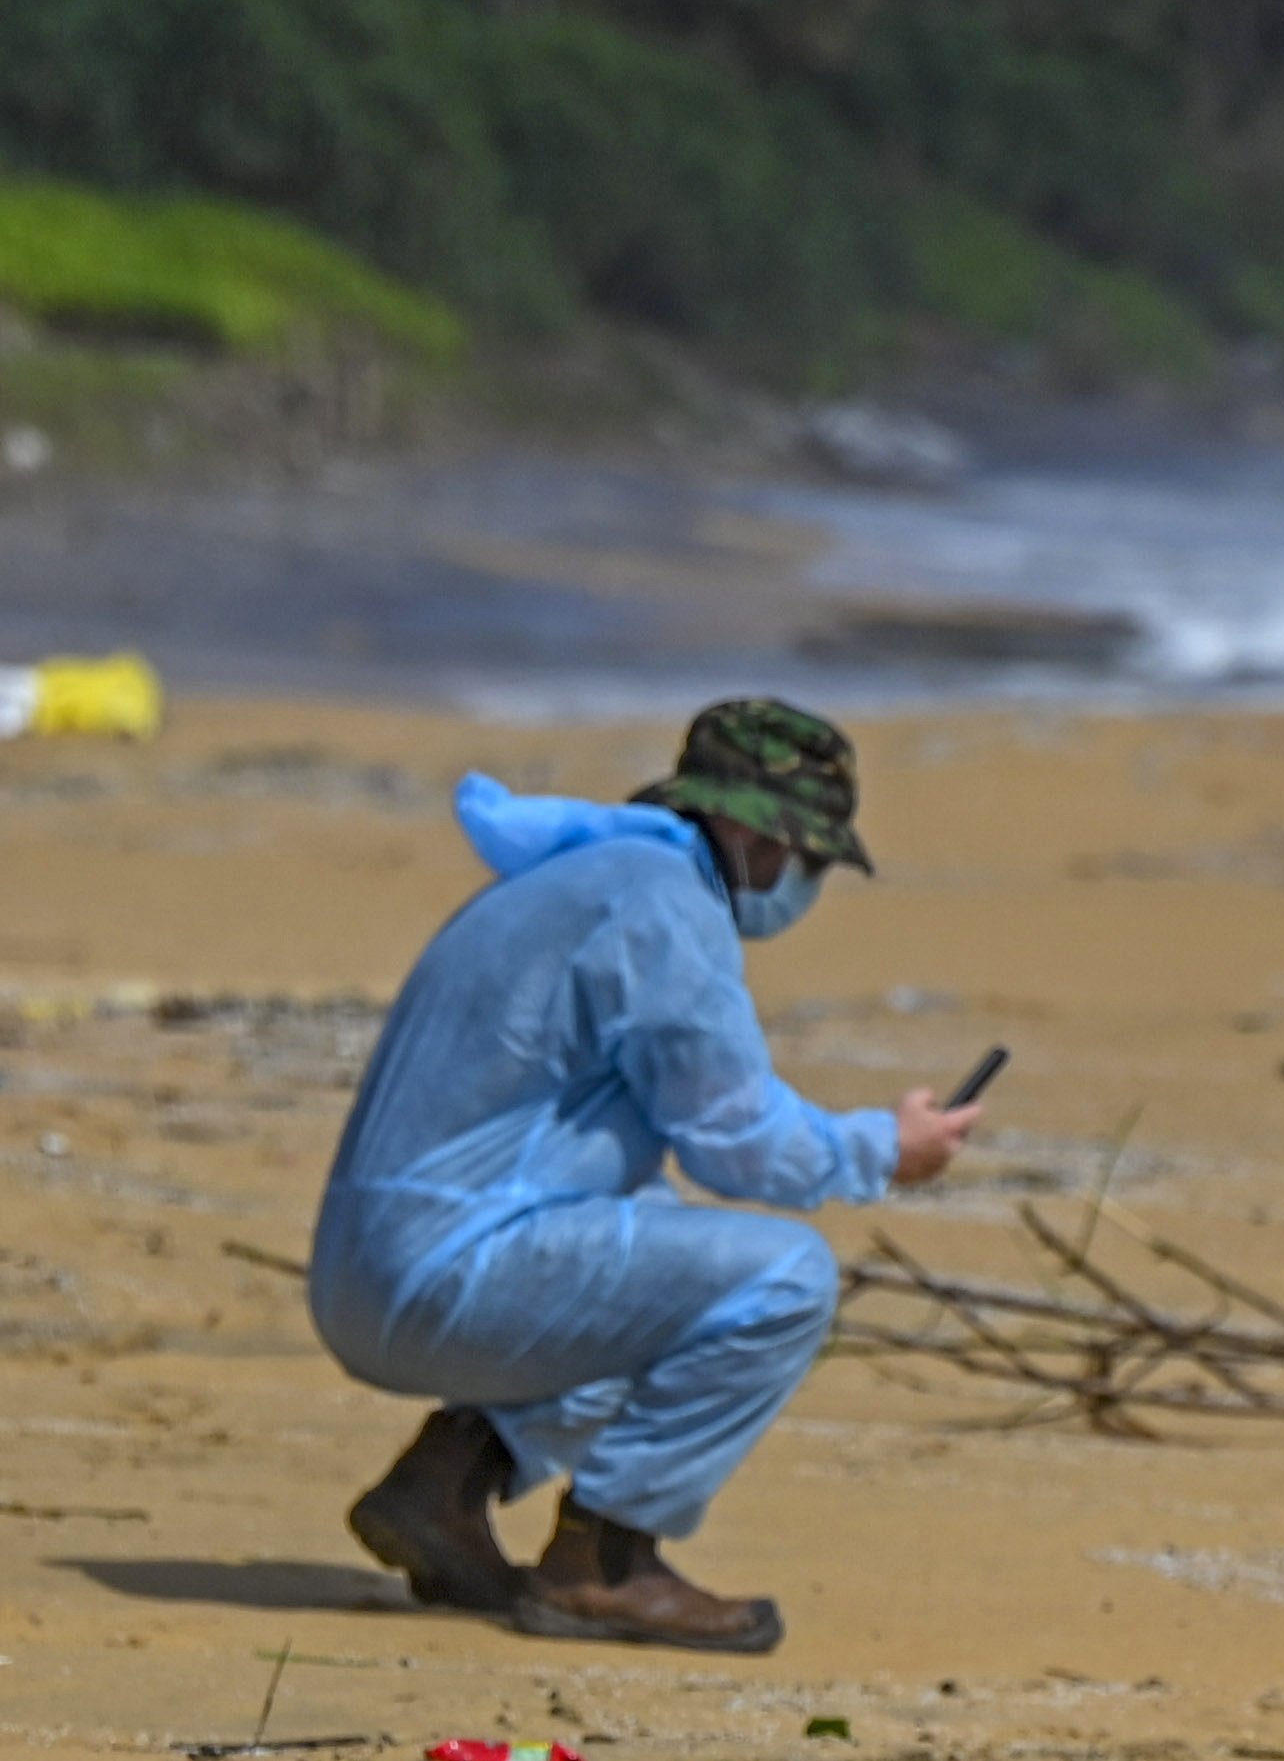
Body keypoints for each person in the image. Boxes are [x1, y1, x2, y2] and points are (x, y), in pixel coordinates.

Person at [310, 699, 982, 1654]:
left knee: (654, 1230)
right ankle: (605, 1563)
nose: (803, 884)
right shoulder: (661, 903)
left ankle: (443, 1486)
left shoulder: (570, 878)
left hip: (368, 1269)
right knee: (783, 1281)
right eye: (810, 859)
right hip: (442, 1275)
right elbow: (735, 1137)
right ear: (759, 836)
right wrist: (881, 1149)